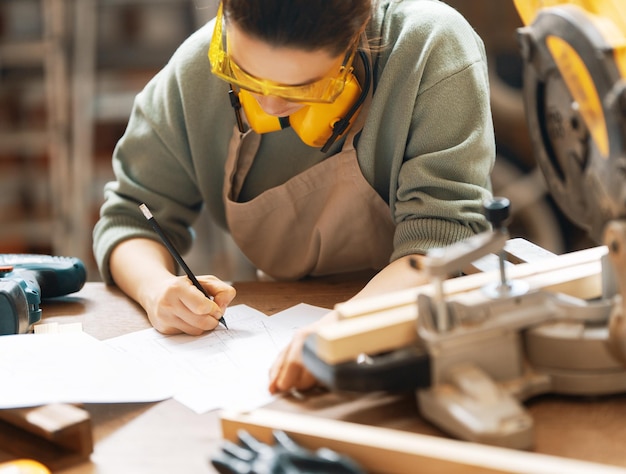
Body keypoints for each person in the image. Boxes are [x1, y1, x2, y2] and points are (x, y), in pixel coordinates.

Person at [93, 0, 495, 394]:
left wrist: (346, 327)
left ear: (356, 36)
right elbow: (130, 216)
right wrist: (156, 288)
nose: (267, 105)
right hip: (288, 331)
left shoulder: (429, 47)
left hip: (421, 339)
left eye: (300, 89)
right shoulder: (195, 71)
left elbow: (443, 245)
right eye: (243, 74)